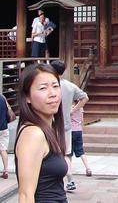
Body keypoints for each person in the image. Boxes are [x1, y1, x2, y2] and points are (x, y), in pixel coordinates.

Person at [15, 63, 67, 203]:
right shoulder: (33, 134)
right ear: (27, 97)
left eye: (56, 86)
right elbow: (25, 195)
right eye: (43, 88)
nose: (53, 94)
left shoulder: (48, 129)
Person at [49, 60, 88, 192]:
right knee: (66, 154)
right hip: (66, 125)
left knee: (49, 152)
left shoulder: (50, 86)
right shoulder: (70, 86)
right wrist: (73, 109)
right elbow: (85, 97)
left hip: (51, 125)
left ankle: (51, 178)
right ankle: (70, 180)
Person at [70, 98, 92, 177]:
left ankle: (69, 171)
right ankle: (88, 168)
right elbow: (82, 120)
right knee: (81, 151)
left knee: (69, 152)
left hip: (70, 131)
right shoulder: (80, 108)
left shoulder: (69, 108)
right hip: (78, 130)